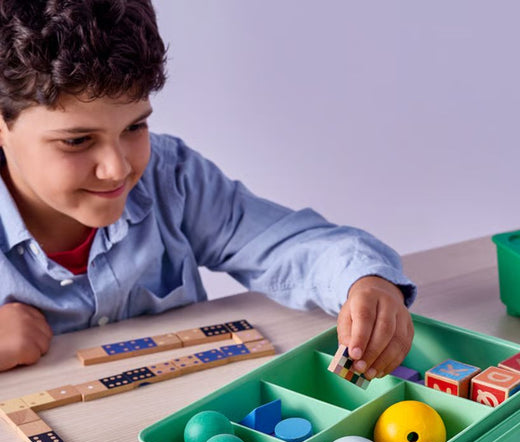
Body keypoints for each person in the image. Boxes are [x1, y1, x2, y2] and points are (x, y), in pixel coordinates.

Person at [0, 0, 416, 375]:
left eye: (135, 126)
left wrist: (364, 281)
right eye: (77, 140)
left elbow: (289, 246)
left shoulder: (172, 175)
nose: (117, 168)